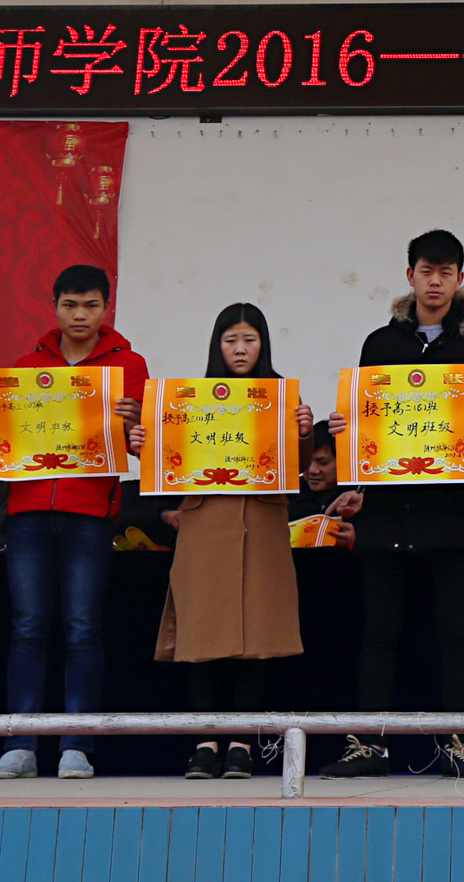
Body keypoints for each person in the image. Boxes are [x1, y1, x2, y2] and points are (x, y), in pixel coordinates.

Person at [320, 229, 464, 781]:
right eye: (426, 271)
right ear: (410, 276)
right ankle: (369, 746)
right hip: (387, 514)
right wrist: (346, 430)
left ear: (459, 278)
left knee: (454, 631)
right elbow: (367, 425)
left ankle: (457, 744)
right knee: (380, 631)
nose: (435, 281)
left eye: (446, 272)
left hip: (454, 514)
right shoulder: (379, 344)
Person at [0, 265, 150, 781]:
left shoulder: (129, 365)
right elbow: (5, 439)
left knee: (82, 626)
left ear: (106, 307)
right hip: (28, 511)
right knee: (27, 627)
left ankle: (77, 745)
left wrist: (137, 423)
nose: (80, 315)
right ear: (54, 306)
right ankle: (20, 746)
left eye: (91, 305)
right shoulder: (27, 365)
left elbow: (145, 442)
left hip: (89, 512)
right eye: (70, 305)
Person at [157, 303, 318, 780]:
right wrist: (144, 439)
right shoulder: (190, 399)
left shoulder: (283, 397)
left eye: (250, 339)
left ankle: (242, 745)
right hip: (205, 524)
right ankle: (205, 743)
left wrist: (303, 433)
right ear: (217, 345)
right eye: (231, 340)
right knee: (202, 634)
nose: (241, 349)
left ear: (263, 344)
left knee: (257, 637)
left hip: (263, 525)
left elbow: (299, 471)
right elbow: (166, 460)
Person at [290, 422, 360, 544]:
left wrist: (356, 540)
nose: (312, 470)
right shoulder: (287, 495)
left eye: (323, 463)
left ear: (344, 461)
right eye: (306, 461)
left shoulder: (359, 496)